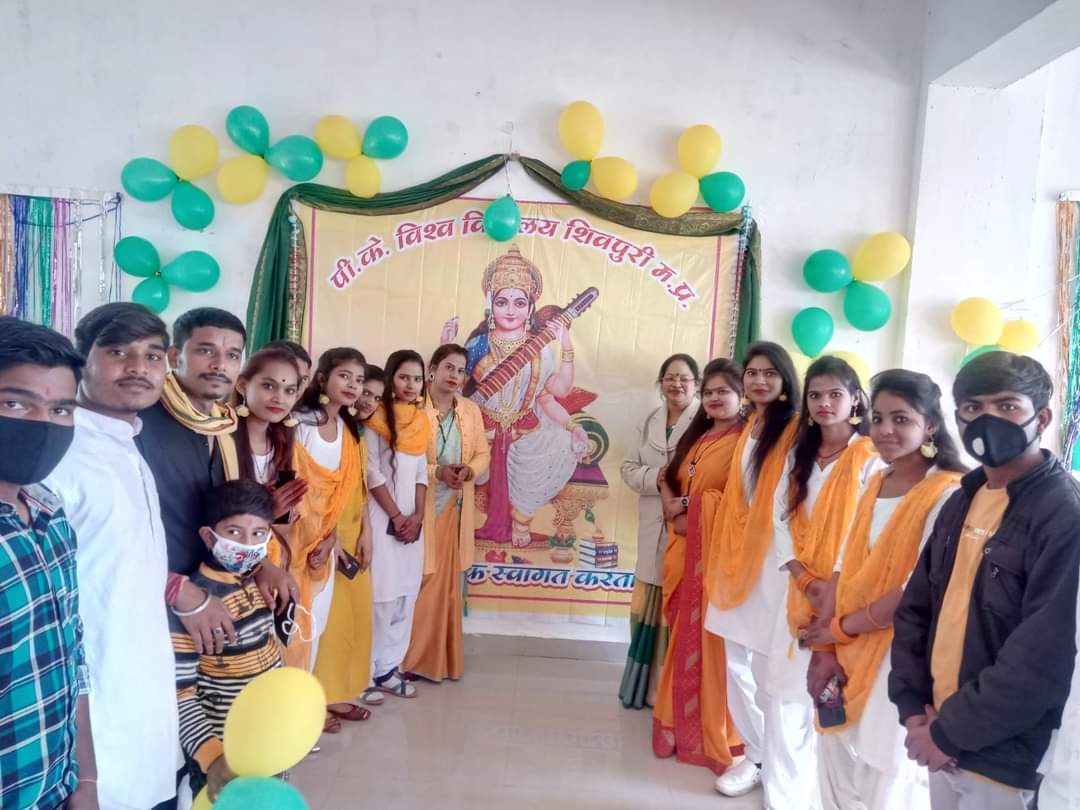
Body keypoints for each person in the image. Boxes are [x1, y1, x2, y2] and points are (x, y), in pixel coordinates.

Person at [890, 351, 1080, 810]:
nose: (986, 420)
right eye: (973, 408)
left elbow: (1043, 655)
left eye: (1007, 406)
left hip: (1003, 754)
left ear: (1042, 417)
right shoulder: (962, 500)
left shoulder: (1063, 513)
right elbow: (916, 609)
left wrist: (949, 733)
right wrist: (914, 709)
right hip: (937, 728)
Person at [803, 370, 965, 810]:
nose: (886, 430)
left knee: (881, 769)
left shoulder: (948, 493)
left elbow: (916, 589)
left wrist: (840, 629)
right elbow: (843, 565)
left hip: (900, 652)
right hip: (846, 640)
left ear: (930, 426)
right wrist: (825, 646)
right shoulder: (875, 480)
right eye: (878, 418)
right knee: (833, 748)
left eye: (901, 419)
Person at [45, 303, 179, 810]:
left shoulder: (129, 443)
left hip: (144, 691)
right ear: (83, 360)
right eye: (119, 352)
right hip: (92, 714)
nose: (138, 368)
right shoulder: (60, 453)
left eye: (152, 356)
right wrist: (84, 774)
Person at [135, 308, 296, 658]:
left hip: (217, 593)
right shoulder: (139, 422)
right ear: (174, 356)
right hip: (152, 600)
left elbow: (229, 516)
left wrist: (260, 564)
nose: (220, 364)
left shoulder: (225, 426)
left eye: (232, 355)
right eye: (205, 350)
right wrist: (175, 588)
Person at [762, 357, 880, 809]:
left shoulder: (870, 458)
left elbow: (865, 528)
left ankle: (831, 799)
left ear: (855, 400)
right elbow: (780, 518)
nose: (824, 403)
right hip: (797, 592)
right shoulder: (799, 455)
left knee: (832, 699)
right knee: (783, 696)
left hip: (846, 597)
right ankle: (782, 799)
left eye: (835, 394)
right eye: (815, 395)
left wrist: (833, 584)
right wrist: (802, 575)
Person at [0, 316, 98, 810]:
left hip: (54, 787)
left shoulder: (49, 514)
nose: (42, 425)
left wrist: (85, 780)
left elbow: (69, 658)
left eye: (60, 409)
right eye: (14, 403)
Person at [702, 341, 801, 800]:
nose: (759, 381)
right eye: (753, 373)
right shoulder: (751, 426)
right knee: (734, 661)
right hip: (737, 557)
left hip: (774, 565)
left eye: (769, 373)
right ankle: (756, 754)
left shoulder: (797, 430)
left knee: (767, 669)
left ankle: (779, 763)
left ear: (785, 380)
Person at [441, 246, 590, 547]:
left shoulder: (541, 349)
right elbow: (455, 393)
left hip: (525, 429)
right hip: (483, 428)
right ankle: (459, 524)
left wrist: (565, 343)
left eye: (519, 303)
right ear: (492, 306)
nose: (510, 310)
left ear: (531, 308)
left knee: (561, 443)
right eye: (502, 302)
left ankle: (521, 520)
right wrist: (445, 345)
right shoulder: (477, 345)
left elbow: (553, 395)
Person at [652, 358, 745, 773]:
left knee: (710, 646)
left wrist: (688, 507)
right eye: (709, 392)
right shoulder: (700, 434)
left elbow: (741, 502)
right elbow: (669, 478)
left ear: (741, 396)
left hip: (713, 559)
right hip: (680, 551)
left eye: (723, 391)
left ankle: (710, 730)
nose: (714, 398)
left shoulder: (745, 442)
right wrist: (672, 504)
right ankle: (673, 719)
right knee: (679, 639)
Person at [170, 480, 283, 805]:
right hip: (222, 759)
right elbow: (181, 694)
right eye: (234, 532)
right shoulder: (195, 608)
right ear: (209, 537)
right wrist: (213, 757)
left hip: (266, 744)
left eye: (259, 533)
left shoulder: (258, 584)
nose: (248, 544)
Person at [402, 343, 491, 683]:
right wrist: (437, 471)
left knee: (446, 586)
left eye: (461, 370)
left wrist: (469, 471)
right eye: (449, 368)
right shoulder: (413, 407)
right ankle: (408, 660)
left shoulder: (469, 410)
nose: (455, 375)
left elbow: (482, 453)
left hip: (455, 508)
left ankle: (438, 660)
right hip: (419, 508)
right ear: (433, 370)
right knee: (420, 583)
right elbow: (403, 460)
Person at [619, 353, 701, 710]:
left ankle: (667, 695)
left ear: (696, 384)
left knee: (675, 608)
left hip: (685, 526)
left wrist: (677, 488)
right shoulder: (649, 420)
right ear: (661, 382)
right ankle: (641, 688)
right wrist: (657, 477)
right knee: (645, 605)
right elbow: (627, 468)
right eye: (670, 377)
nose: (676, 384)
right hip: (651, 523)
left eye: (684, 378)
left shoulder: (706, 421)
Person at [285, 348, 366, 677]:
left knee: (315, 623)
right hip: (291, 542)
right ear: (321, 379)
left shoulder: (347, 430)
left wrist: (329, 540)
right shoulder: (300, 424)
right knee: (290, 627)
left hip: (324, 544)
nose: (353, 385)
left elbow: (338, 497)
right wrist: (307, 539)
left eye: (359, 379)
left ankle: (304, 701)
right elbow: (291, 489)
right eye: (344, 376)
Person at [364, 350, 432, 700]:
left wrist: (417, 516)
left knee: (405, 597)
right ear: (391, 378)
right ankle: (365, 674)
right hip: (382, 520)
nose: (410, 384)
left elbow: (421, 473)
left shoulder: (420, 422)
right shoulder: (374, 419)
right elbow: (372, 474)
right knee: (381, 599)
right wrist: (396, 516)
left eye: (417, 378)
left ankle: (388, 670)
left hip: (412, 526)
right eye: (404, 377)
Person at [231, 346, 308, 512]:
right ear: (242, 386)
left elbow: (285, 521)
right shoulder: (222, 441)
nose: (279, 398)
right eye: (268, 386)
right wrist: (267, 511)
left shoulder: (282, 441)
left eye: (289, 391)